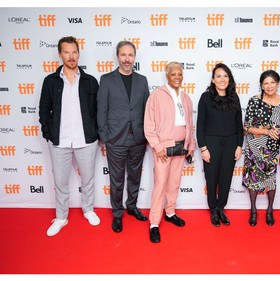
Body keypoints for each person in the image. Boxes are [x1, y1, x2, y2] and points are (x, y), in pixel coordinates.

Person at [39, 36, 100, 236]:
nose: (71, 56)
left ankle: (88, 210)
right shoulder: (50, 81)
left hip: (86, 140)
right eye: (67, 52)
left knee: (88, 179)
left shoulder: (90, 81)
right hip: (60, 141)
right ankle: (61, 217)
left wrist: (97, 133)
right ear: (60, 54)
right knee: (61, 181)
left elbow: (98, 110)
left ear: (78, 53)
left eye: (74, 52)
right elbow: (44, 110)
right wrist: (48, 133)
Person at [97, 41, 150, 233]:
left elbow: (147, 111)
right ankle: (117, 213)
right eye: (123, 55)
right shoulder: (107, 79)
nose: (127, 59)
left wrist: (147, 134)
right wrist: (105, 136)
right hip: (116, 139)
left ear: (134, 57)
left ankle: (132, 206)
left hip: (138, 138)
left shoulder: (142, 81)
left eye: (130, 55)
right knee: (117, 179)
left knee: (135, 176)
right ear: (117, 56)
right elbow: (101, 109)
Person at [144, 61, 196, 243]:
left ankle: (170, 212)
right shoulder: (157, 95)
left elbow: (190, 124)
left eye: (180, 74)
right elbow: (149, 125)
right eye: (174, 74)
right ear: (167, 75)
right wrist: (157, 147)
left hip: (181, 148)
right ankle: (154, 223)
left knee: (174, 183)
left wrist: (191, 145)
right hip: (163, 149)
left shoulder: (186, 97)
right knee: (160, 186)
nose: (177, 77)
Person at [196, 63, 243, 227]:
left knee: (226, 178)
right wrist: (203, 148)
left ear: (229, 79)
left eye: (225, 76)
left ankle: (221, 208)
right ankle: (213, 210)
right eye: (218, 76)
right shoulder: (205, 97)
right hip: (211, 143)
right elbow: (200, 125)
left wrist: (239, 146)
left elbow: (239, 125)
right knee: (211, 179)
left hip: (231, 144)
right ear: (213, 80)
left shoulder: (234, 97)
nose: (222, 79)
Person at [242, 70, 280, 227]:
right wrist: (266, 131)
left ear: (277, 84)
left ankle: (270, 211)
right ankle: (253, 210)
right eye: (265, 83)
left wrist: (279, 133)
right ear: (261, 85)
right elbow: (246, 127)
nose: (269, 86)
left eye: (272, 82)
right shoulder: (254, 101)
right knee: (253, 179)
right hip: (254, 145)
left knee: (271, 179)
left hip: (272, 147)